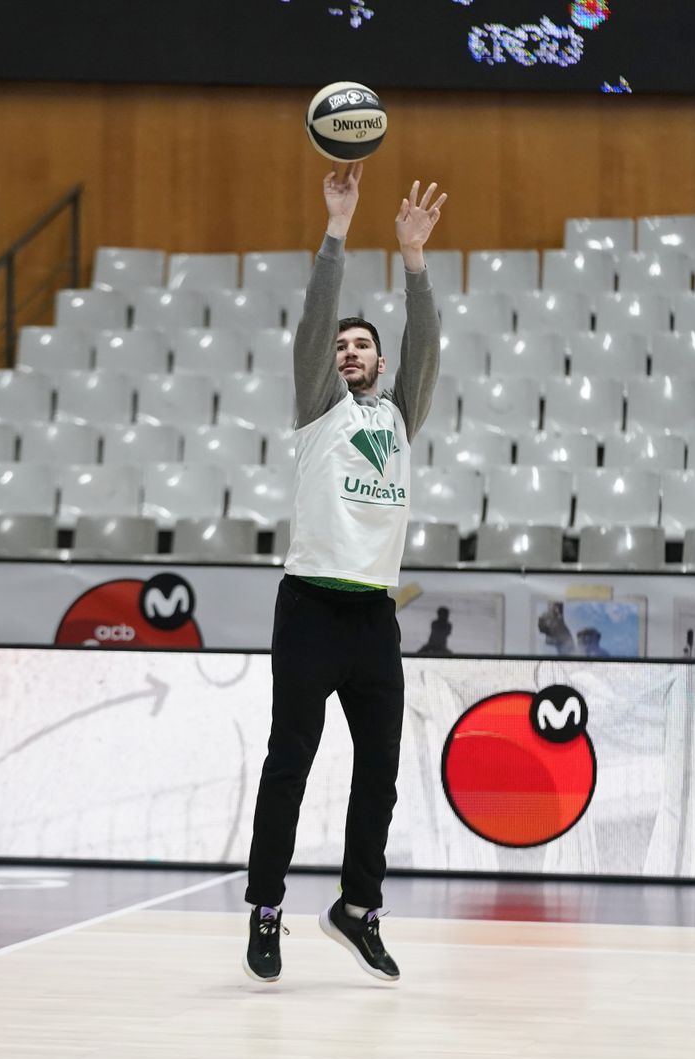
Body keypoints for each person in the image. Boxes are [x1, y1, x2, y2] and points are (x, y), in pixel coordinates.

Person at [244, 164, 446, 984]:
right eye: (343, 344)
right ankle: (266, 910)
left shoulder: (399, 417)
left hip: (373, 618)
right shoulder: (319, 406)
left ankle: (356, 909)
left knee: (382, 774)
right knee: (288, 764)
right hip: (309, 610)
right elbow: (313, 323)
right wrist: (339, 227)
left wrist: (414, 261)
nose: (352, 350)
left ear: (379, 360)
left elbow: (424, 348)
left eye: (363, 343)